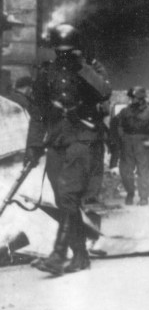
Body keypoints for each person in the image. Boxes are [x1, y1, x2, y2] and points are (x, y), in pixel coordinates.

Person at [25, 23, 112, 275]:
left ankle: (58, 254)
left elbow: (104, 92)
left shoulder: (90, 68)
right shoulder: (46, 73)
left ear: (77, 48)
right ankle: (81, 255)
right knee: (64, 201)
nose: (64, 54)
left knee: (68, 196)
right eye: (60, 50)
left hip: (83, 139)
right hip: (57, 141)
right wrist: (33, 146)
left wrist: (81, 66)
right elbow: (38, 114)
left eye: (69, 50)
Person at [114, 86, 149, 206]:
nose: (130, 100)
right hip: (127, 143)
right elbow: (117, 124)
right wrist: (122, 136)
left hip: (143, 143)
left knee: (143, 171)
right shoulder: (125, 111)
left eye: (133, 98)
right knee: (125, 171)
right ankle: (130, 193)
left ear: (140, 99)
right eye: (130, 98)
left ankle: (144, 197)